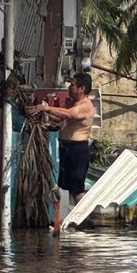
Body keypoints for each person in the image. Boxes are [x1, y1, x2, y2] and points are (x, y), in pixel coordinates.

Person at [31, 72, 96, 204]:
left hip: (77, 150)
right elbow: (60, 117)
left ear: (81, 88)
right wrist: (44, 115)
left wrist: (46, 108)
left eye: (72, 85)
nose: (69, 87)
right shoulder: (72, 103)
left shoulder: (85, 106)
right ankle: (62, 216)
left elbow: (70, 114)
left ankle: (80, 217)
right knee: (61, 184)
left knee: (77, 188)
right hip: (65, 147)